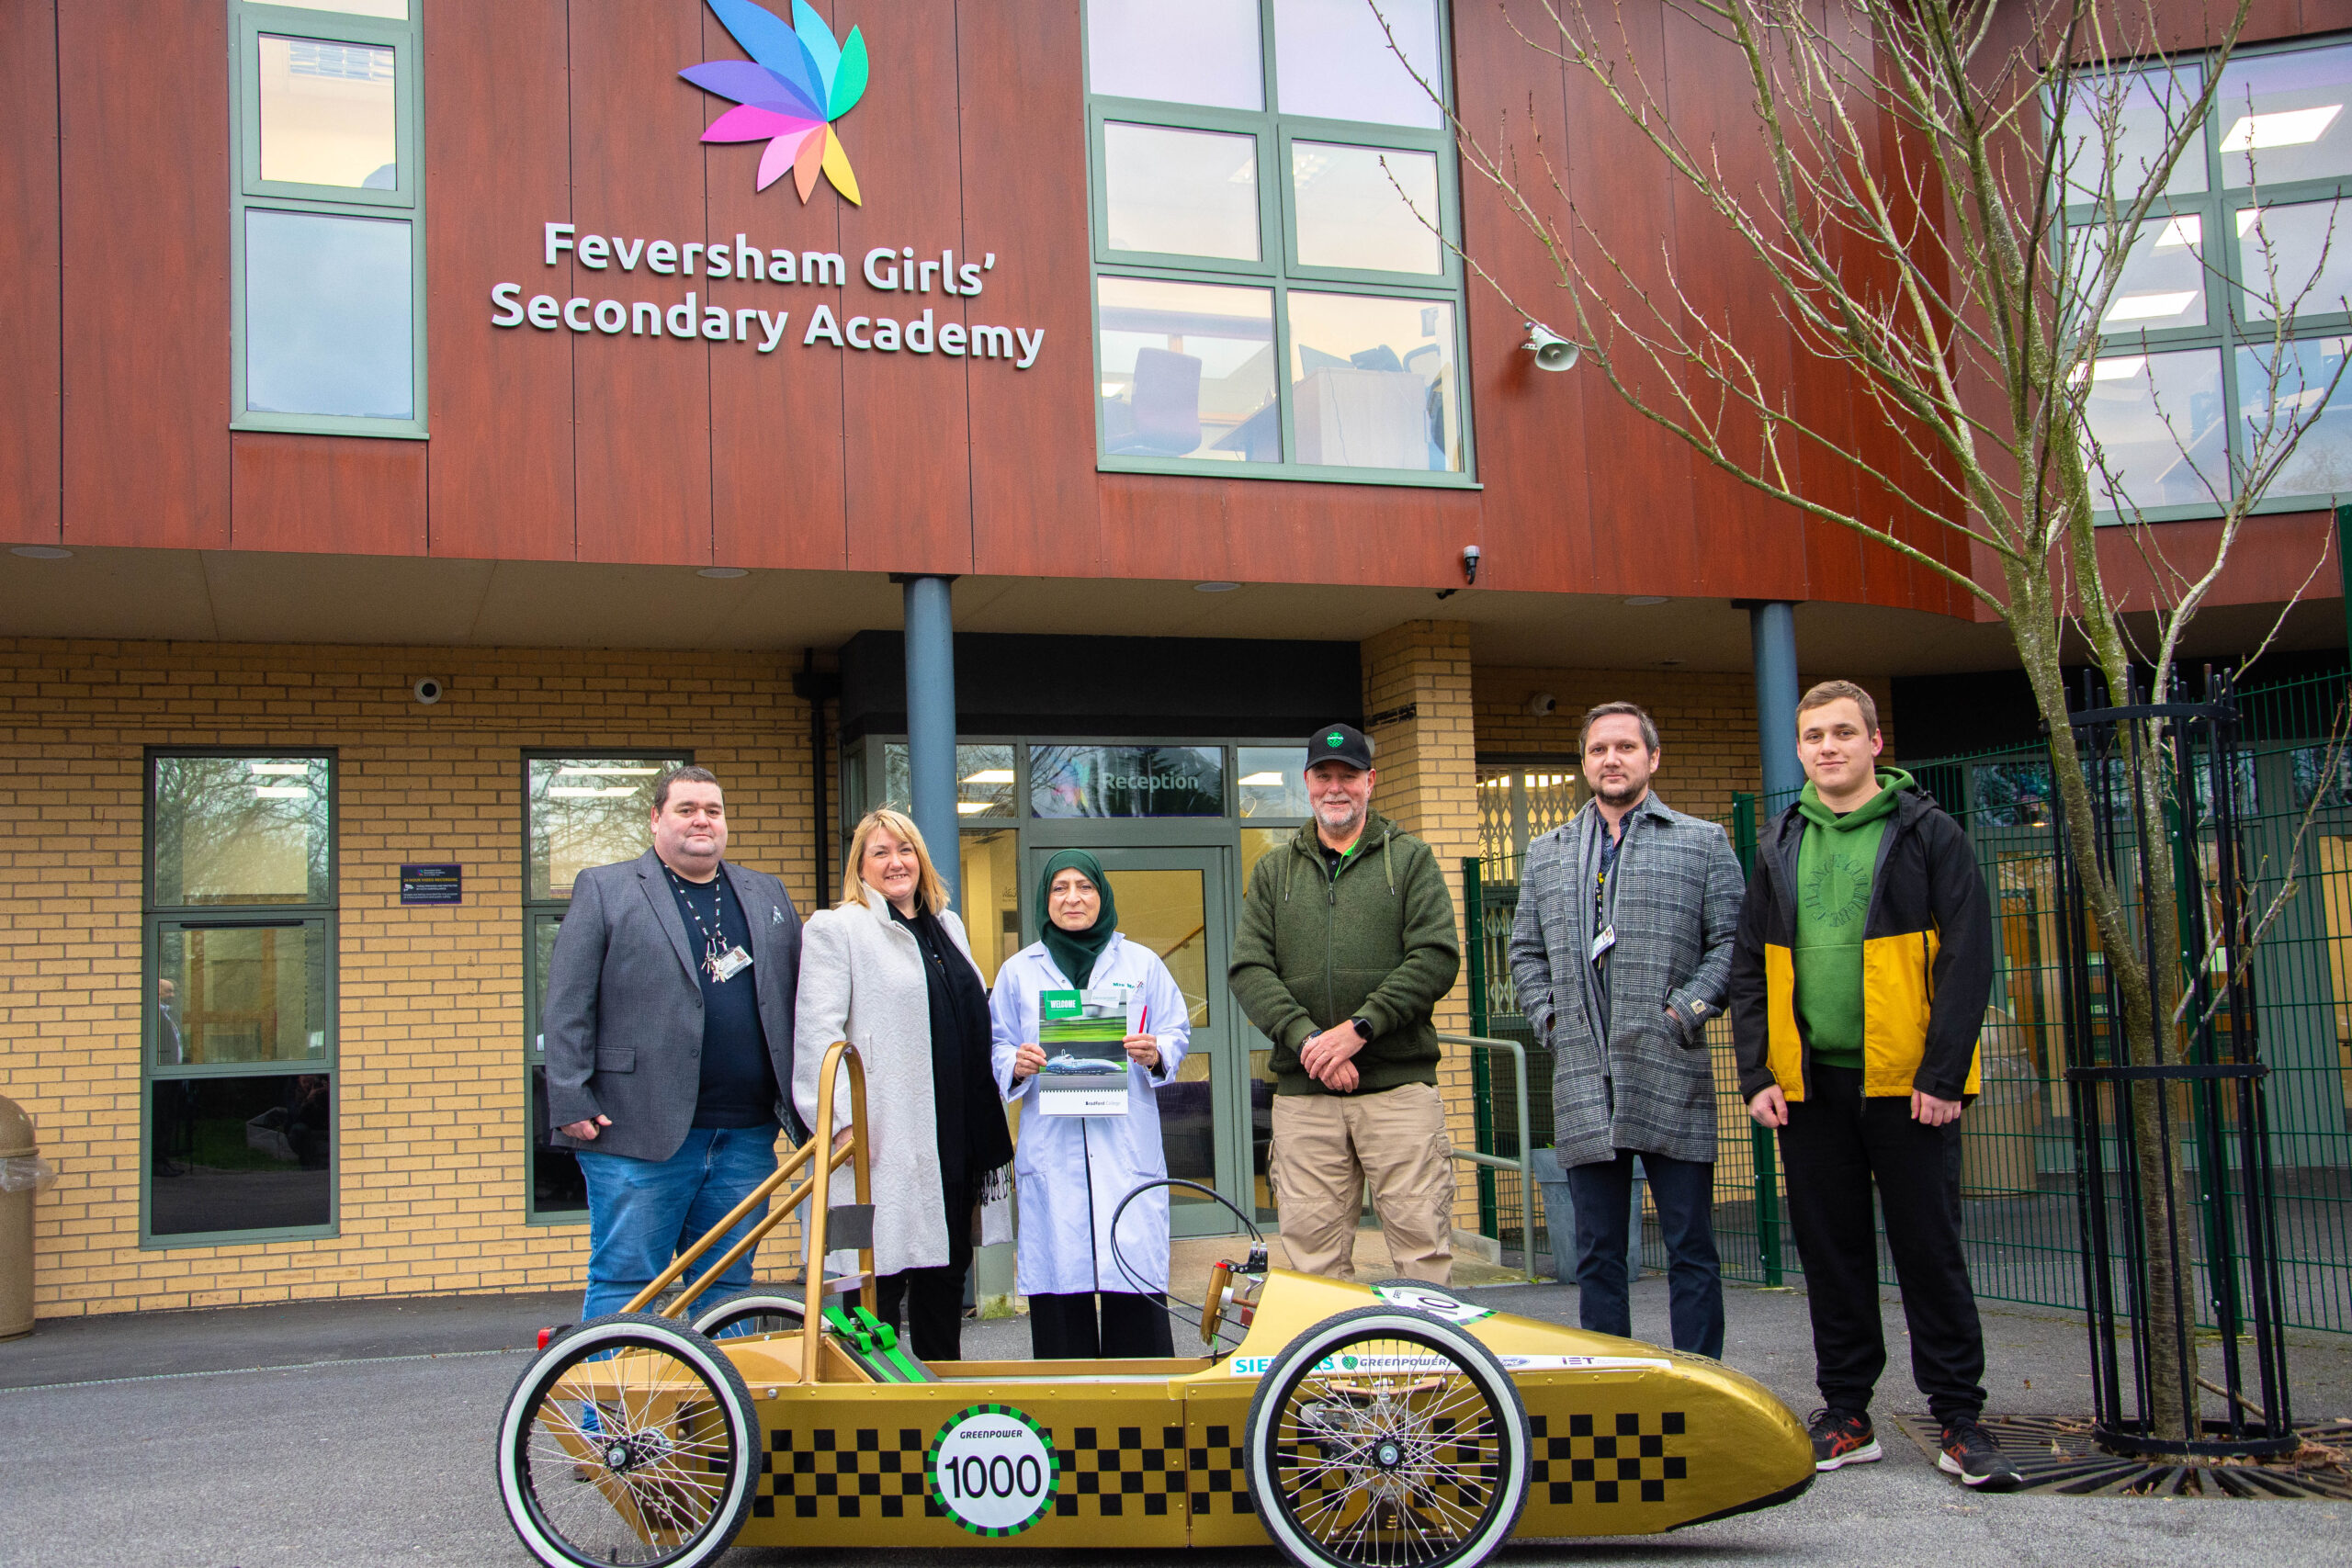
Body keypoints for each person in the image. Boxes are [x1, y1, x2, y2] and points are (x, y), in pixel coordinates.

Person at [1729, 681, 2021, 1490]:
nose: (1828, 746)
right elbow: (1750, 964)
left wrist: (1943, 1074)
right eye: (1814, 735)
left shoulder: (1931, 833)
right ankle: (1847, 1414)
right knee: (1832, 1254)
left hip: (1910, 1086)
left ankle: (1960, 1419)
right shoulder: (1781, 839)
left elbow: (1969, 961)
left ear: (1875, 743)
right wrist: (1759, 1071)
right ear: (1800, 749)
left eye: (1843, 732)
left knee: (1930, 1252)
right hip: (1811, 1088)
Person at [1509, 701, 1745, 1358]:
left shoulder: (1702, 842)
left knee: (1691, 1249)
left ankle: (1703, 1386)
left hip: (1671, 1072)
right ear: (1585, 762)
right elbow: (1524, 951)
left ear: (1652, 757)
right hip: (1584, 1080)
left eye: (1625, 747)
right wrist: (1550, 1017)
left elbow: (1731, 943)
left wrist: (1683, 1014)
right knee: (1598, 1254)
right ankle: (1611, 1387)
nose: (1611, 759)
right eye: (1598, 749)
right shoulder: (1547, 852)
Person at [543, 765, 802, 1323]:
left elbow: (797, 996)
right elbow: (568, 1003)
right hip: (636, 1130)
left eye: (713, 809)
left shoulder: (765, 892)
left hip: (746, 1134)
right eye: (686, 809)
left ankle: (718, 1412)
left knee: (729, 1286)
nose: (701, 820)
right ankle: (605, 1414)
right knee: (627, 1280)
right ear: (656, 819)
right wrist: (569, 1096)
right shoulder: (605, 888)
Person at [1228, 724, 1462, 1284]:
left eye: (1349, 776)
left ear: (1370, 782)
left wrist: (1359, 1029)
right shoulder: (1273, 871)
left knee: (1422, 1252)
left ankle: (1429, 1374)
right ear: (1307, 782)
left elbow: (1435, 956)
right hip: (1305, 1096)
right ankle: (1332, 1376)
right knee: (1315, 1265)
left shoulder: (1409, 860)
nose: (1337, 788)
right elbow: (1249, 969)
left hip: (1398, 1092)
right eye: (1324, 776)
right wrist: (1311, 1041)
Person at [796, 808, 1013, 1361]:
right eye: (880, 852)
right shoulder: (837, 929)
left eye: (906, 849)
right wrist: (839, 1121)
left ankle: (937, 1413)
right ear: (860, 867)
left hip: (952, 1138)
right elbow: (817, 1037)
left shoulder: (950, 926)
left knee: (944, 1279)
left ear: (922, 858)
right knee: (874, 1286)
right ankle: (867, 1423)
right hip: (881, 1141)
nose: (896, 862)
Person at [990, 850, 1191, 1359]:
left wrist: (1156, 1052)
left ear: (1102, 895)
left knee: (1134, 1284)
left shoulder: (1142, 963)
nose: (1073, 897)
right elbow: (994, 1044)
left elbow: (1175, 1031)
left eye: (1084, 886)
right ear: (1045, 900)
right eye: (1060, 888)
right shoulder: (1019, 972)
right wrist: (1017, 1062)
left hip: (1124, 1151)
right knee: (1061, 1289)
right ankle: (1067, 1414)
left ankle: (1144, 1427)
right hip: (1053, 1153)